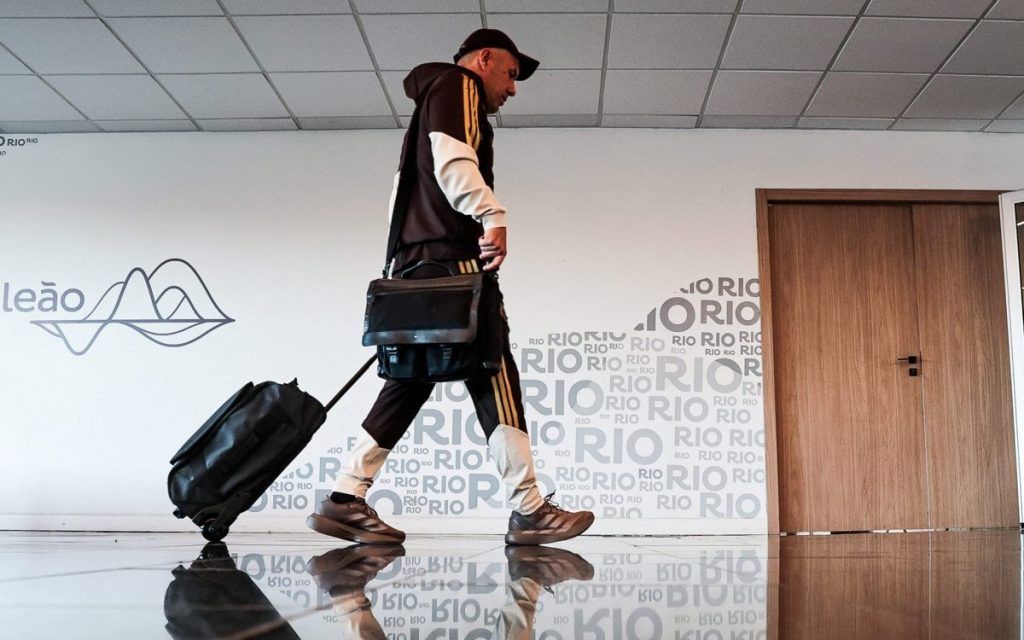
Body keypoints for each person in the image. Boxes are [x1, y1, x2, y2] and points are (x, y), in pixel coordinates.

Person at [306, 28, 594, 546]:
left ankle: (345, 498)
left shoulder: (429, 101)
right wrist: (492, 214)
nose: (513, 88)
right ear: (483, 59)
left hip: (415, 266)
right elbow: (452, 158)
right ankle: (529, 509)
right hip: (453, 264)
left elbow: (404, 193)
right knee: (494, 373)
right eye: (510, 74)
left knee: (411, 378)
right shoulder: (459, 85)